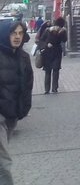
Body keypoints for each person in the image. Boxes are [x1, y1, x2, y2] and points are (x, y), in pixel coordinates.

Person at [0, 20, 32, 185]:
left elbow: (27, 85)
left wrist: (24, 108)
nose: (17, 37)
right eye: (13, 33)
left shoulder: (23, 57)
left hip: (12, 115)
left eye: (20, 33)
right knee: (3, 162)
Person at [36, 16, 67, 93]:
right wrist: (46, 44)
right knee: (48, 71)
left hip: (57, 52)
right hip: (47, 52)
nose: (58, 28)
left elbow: (64, 40)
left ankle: (54, 88)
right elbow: (41, 41)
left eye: (60, 27)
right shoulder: (48, 30)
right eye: (57, 26)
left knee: (56, 70)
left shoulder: (62, 31)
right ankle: (47, 89)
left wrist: (63, 32)